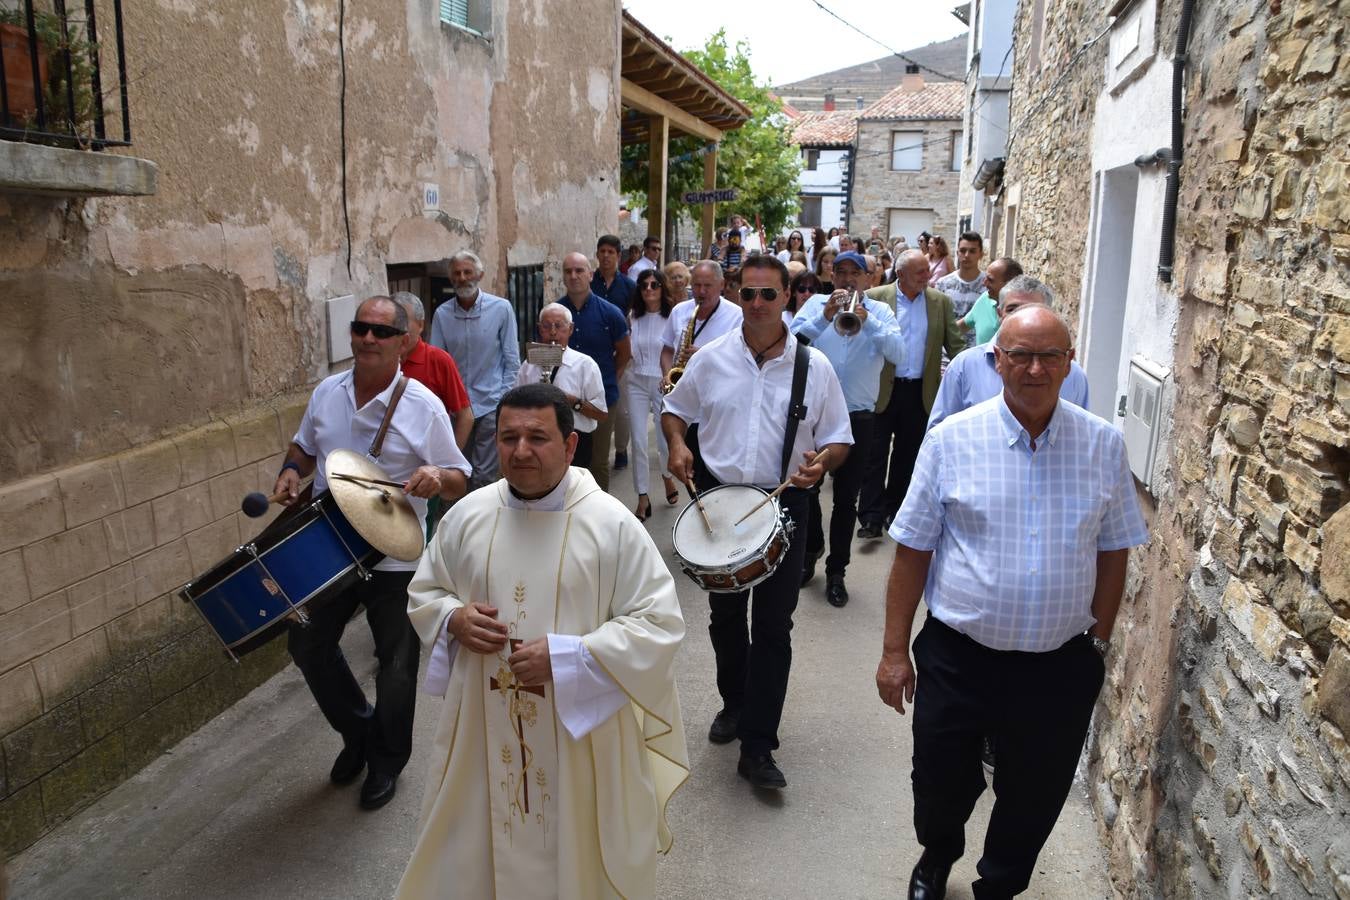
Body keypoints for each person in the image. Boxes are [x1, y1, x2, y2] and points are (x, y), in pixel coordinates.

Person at [875, 305, 1148, 900]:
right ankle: (937, 854)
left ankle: (998, 885)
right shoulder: (950, 440)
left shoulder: (1102, 445)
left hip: (1057, 663)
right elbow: (913, 552)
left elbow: (1115, 550)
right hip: (958, 653)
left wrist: (1096, 645)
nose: (1034, 368)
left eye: (1049, 356)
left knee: (1035, 790)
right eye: (1020, 355)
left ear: (1068, 363)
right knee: (941, 779)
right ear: (995, 361)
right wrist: (895, 650)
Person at [398, 384, 688, 900]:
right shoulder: (469, 514)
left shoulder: (611, 525)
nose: (520, 451)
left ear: (571, 446)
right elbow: (426, 588)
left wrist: (570, 657)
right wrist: (453, 619)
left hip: (581, 733)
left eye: (537, 437)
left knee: (575, 849)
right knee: (473, 848)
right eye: (508, 437)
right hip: (482, 728)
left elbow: (658, 622)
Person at [274, 295, 472, 811]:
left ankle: (386, 762)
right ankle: (358, 733)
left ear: (403, 341)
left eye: (380, 332)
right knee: (307, 645)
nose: (366, 338)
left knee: (397, 663)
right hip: (328, 547)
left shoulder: (423, 405)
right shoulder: (326, 392)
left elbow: (458, 476)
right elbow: (303, 446)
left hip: (395, 556)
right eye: (360, 328)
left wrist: (435, 476)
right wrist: (291, 470)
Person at [662, 254, 852, 790]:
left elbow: (839, 437)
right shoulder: (712, 358)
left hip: (785, 502)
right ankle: (734, 702)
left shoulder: (815, 368)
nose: (758, 304)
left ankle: (758, 744)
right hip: (720, 500)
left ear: (788, 296)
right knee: (725, 619)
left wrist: (824, 461)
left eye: (769, 295)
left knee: (774, 626)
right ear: (735, 295)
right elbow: (675, 409)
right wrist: (677, 444)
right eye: (748, 294)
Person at [790, 252, 907, 608]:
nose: (846, 279)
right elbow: (791, 345)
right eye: (840, 272)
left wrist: (866, 321)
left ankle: (837, 571)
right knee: (807, 491)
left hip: (858, 416)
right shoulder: (815, 305)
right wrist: (824, 319)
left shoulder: (881, 313)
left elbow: (898, 355)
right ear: (831, 274)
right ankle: (811, 550)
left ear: (869, 278)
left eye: (854, 273)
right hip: (816, 415)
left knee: (845, 500)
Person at [856, 249, 963, 539]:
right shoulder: (876, 296)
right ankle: (870, 516)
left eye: (928, 271)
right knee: (873, 455)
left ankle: (895, 510)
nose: (928, 277)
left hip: (920, 391)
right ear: (901, 274)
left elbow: (955, 344)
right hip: (881, 389)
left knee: (908, 455)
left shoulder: (940, 302)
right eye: (920, 273)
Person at [929, 274, 1089, 431]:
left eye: (1033, 309)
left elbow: (1081, 434)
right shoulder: (964, 367)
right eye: (1013, 309)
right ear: (999, 314)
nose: (1023, 318)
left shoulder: (1073, 375)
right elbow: (939, 435)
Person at [429, 250, 519, 491]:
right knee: (458, 468)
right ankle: (459, 520)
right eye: (457, 273)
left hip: (490, 404)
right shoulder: (442, 314)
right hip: (456, 409)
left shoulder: (501, 309)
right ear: (451, 278)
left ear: (479, 275)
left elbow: (512, 360)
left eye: (467, 272)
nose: (462, 277)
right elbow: (436, 362)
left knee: (485, 474)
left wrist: (502, 400)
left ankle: (482, 522)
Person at [555, 252, 631, 492]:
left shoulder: (610, 313)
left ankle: (599, 514)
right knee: (564, 460)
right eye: (568, 271)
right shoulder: (555, 313)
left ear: (590, 274)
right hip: (562, 401)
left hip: (602, 401)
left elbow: (624, 353)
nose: (574, 276)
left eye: (579, 270)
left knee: (597, 462)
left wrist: (609, 381)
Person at [514, 303, 607, 467]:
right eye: (546, 326)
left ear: (570, 329)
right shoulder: (528, 365)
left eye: (559, 326)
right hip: (536, 438)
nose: (553, 332)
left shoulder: (585, 365)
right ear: (539, 329)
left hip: (576, 439)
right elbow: (515, 404)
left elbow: (601, 414)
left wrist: (570, 400)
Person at [627, 269, 680, 517]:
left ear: (662, 288)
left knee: (663, 439)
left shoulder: (672, 318)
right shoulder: (633, 317)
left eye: (654, 284)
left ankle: (667, 476)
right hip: (636, 381)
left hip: (661, 383)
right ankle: (642, 495)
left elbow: (675, 352)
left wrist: (669, 378)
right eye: (644, 285)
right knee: (637, 440)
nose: (649, 289)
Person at [392, 292, 474, 450]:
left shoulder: (437, 360)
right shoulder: (381, 359)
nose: (396, 328)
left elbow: (465, 416)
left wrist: (450, 461)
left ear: (421, 325)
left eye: (403, 321)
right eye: (391, 322)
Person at [660, 261, 744, 395]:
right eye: (697, 285)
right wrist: (667, 375)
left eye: (708, 286)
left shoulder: (737, 316)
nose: (701, 291)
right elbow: (667, 350)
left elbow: (741, 362)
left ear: (721, 285)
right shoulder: (679, 311)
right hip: (680, 392)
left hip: (715, 393)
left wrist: (705, 356)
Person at [934, 232, 988, 348]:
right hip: (947, 355)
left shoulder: (989, 285)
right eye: (963, 250)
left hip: (977, 353)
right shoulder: (943, 284)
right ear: (957, 253)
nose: (967, 255)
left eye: (972, 251)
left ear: (981, 254)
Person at [961, 256, 1023, 346]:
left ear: (1009, 284)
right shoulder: (985, 299)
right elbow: (960, 327)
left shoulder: (1024, 312)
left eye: (990, 280)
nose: (984, 283)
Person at [591, 234, 637, 316]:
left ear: (618, 256)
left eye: (610, 252)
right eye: (602, 251)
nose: (606, 255)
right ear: (597, 254)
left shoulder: (630, 286)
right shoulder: (588, 282)